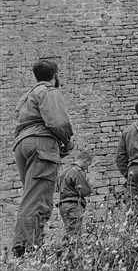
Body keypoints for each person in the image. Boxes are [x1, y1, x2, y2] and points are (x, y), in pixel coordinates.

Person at [12, 60, 74, 257]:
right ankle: (26, 247)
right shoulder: (48, 91)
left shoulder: (26, 97)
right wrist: (67, 141)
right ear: (55, 75)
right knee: (38, 198)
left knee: (30, 195)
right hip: (41, 144)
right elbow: (58, 121)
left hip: (22, 144)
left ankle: (29, 244)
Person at [58, 150, 93, 242]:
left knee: (68, 232)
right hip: (73, 205)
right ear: (85, 161)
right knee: (75, 234)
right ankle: (73, 254)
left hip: (62, 205)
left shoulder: (64, 172)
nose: (86, 168)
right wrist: (90, 185)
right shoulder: (77, 171)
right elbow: (84, 191)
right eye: (88, 165)